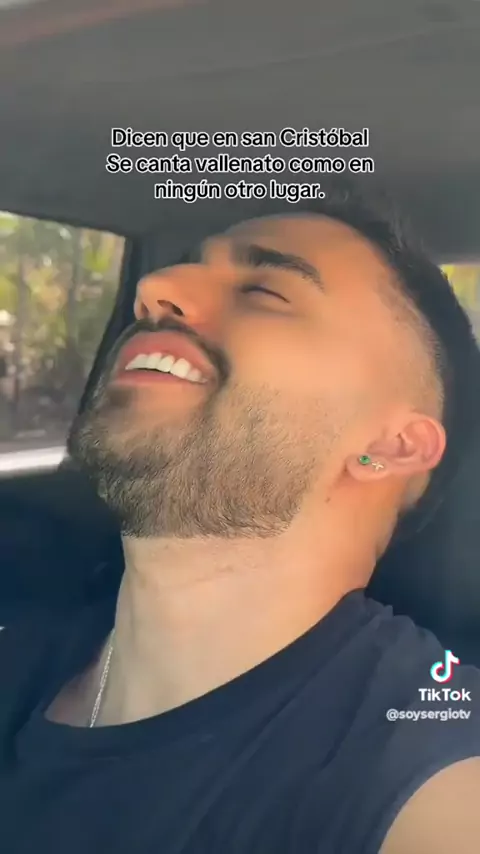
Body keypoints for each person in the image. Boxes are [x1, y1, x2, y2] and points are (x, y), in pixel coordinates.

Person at [2, 186, 480, 854]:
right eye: (182, 265)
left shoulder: (425, 756)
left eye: (264, 291)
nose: (155, 288)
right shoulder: (22, 649)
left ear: (392, 446)